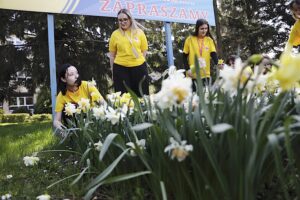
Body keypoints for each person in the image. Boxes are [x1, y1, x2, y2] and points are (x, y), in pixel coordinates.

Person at [109, 8, 149, 97]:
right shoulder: (115, 34)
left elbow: (144, 51)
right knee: (123, 98)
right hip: (120, 69)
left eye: (125, 19)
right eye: (120, 20)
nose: (122, 22)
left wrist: (138, 63)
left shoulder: (140, 33)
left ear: (130, 19)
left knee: (142, 96)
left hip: (139, 68)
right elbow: (112, 56)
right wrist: (113, 72)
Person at [53, 63, 103, 130]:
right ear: (63, 79)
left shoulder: (87, 86)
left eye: (77, 73)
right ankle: (72, 135)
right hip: (75, 126)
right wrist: (59, 126)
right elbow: (57, 120)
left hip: (92, 120)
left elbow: (103, 104)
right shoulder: (62, 95)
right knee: (67, 109)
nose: (76, 76)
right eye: (71, 74)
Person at [182, 19, 220, 91]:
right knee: (193, 100)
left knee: (205, 99)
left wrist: (219, 63)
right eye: (202, 28)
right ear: (197, 28)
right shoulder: (189, 39)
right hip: (192, 75)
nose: (204, 31)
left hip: (205, 75)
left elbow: (213, 54)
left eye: (206, 28)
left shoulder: (209, 40)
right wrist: (188, 70)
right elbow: (184, 56)